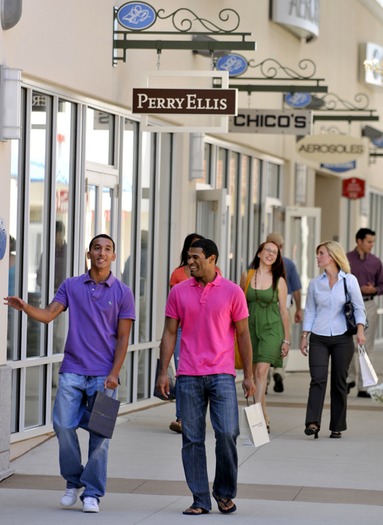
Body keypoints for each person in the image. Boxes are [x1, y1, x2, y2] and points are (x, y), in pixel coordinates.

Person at [4, 234, 135, 513]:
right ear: (89, 254)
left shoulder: (123, 292)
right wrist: (25, 307)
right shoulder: (71, 286)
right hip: (73, 370)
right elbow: (50, 314)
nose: (102, 253)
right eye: (97, 248)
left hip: (104, 376)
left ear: (113, 256)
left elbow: (123, 339)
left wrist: (115, 373)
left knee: (100, 437)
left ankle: (93, 493)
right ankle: (73, 481)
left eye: (107, 249)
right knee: (63, 426)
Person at [156, 238, 255, 516]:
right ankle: (200, 498)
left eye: (196, 257)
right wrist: (164, 371)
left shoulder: (233, 292)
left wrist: (248, 376)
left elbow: (244, 334)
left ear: (213, 259)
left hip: (222, 374)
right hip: (188, 374)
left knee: (227, 433)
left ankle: (224, 493)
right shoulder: (178, 292)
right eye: (188, 256)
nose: (190, 261)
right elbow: (169, 333)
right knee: (192, 438)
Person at [300, 241, 366, 439]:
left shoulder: (349, 280)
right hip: (319, 337)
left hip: (342, 337)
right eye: (318, 253)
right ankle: (312, 422)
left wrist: (360, 331)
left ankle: (337, 425)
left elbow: (358, 307)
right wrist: (305, 336)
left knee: (339, 381)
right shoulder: (315, 283)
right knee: (317, 379)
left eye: (321, 253)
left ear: (333, 256)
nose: (318, 257)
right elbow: (310, 311)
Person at [240, 241, 290, 433]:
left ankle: (256, 421)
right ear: (259, 253)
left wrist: (286, 339)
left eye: (275, 252)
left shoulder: (280, 281)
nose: (271, 254)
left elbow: (284, 312)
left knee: (261, 372)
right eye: (267, 250)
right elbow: (239, 304)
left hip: (272, 329)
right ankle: (264, 415)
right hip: (250, 329)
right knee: (252, 376)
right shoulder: (247, 275)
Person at [168, 232, 205, 434]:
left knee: (201, 374)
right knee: (183, 374)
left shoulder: (214, 272)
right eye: (191, 251)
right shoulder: (177, 273)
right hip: (182, 330)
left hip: (204, 332)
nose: (193, 257)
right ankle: (181, 417)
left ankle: (196, 415)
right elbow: (172, 307)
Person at [346, 228, 383, 397]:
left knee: (365, 346)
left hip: (368, 305)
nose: (371, 245)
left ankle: (363, 386)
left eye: (373, 242)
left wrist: (373, 289)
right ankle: (350, 378)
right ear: (359, 241)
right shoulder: (346, 259)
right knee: (349, 345)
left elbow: (382, 285)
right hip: (348, 307)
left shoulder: (376, 262)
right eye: (369, 241)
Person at [266, 232, 303, 393]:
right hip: (283, 308)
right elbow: (296, 290)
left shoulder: (258, 263)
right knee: (284, 340)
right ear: (281, 246)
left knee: (263, 342)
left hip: (263, 309)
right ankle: (279, 371)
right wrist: (299, 309)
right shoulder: (288, 264)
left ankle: (264, 379)